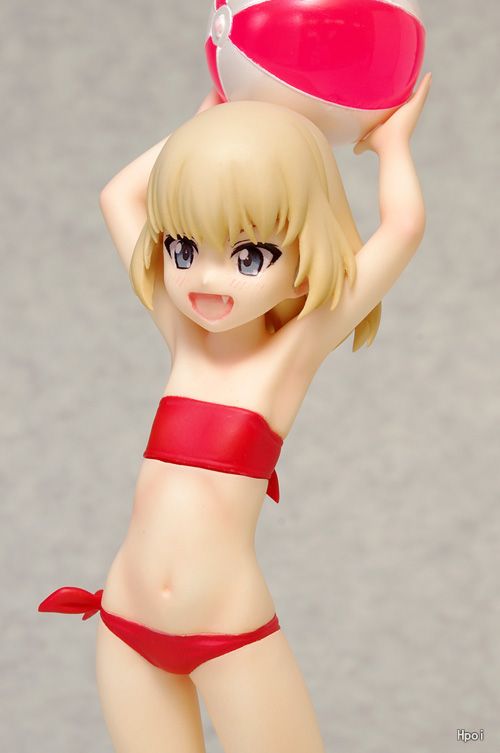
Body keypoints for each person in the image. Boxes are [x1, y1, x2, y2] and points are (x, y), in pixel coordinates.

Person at [40, 75, 431, 753]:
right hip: (125, 623)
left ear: (304, 260)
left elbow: (402, 228)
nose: (205, 279)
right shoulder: (183, 335)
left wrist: (392, 145)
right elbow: (117, 196)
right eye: (183, 250)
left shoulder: (292, 354)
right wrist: (211, 119)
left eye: (250, 256)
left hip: (229, 633)